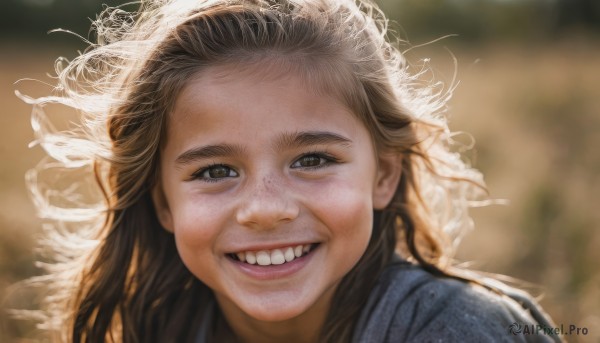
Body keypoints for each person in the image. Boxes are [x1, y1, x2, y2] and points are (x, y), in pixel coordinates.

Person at [20, 0, 561, 342]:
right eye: (213, 171)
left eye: (313, 160)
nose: (266, 209)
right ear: (163, 202)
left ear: (383, 176)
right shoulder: (155, 328)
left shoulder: (460, 331)